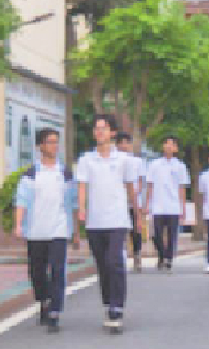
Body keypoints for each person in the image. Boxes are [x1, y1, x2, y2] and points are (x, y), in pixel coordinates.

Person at [75, 114, 137, 331]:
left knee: (114, 262)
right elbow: (82, 186)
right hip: (95, 221)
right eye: (96, 128)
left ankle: (117, 308)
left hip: (117, 218)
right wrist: (81, 209)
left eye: (103, 128)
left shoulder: (123, 160)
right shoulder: (85, 160)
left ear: (112, 133)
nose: (99, 132)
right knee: (102, 265)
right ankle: (108, 303)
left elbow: (130, 187)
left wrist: (136, 211)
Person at [15, 126, 74, 330]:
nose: (54, 146)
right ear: (40, 146)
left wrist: (73, 230)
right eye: (50, 142)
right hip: (36, 229)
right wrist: (18, 224)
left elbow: (72, 201)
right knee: (37, 271)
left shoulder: (64, 172)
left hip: (59, 228)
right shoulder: (31, 174)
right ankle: (44, 300)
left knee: (58, 270)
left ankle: (55, 311)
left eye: (56, 142)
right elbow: (21, 200)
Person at [143, 136, 191, 271]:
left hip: (173, 206)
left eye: (172, 144)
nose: (169, 146)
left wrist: (183, 208)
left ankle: (168, 258)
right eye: (166, 143)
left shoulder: (180, 166)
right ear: (163, 146)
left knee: (171, 234)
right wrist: (147, 204)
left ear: (176, 148)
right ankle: (162, 254)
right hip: (157, 205)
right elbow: (150, 185)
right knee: (156, 234)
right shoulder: (154, 165)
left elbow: (182, 188)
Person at [115, 129, 149, 272]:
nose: (123, 145)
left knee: (136, 230)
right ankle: (120, 257)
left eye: (126, 143)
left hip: (134, 200)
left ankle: (137, 255)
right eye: (120, 143)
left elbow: (141, 181)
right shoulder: (113, 161)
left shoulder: (137, 161)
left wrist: (136, 192)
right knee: (119, 231)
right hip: (118, 201)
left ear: (130, 145)